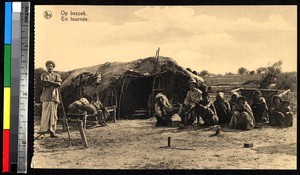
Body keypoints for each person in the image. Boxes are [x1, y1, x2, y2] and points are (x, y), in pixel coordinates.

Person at [39, 60, 62, 138]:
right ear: (46, 67)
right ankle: (43, 132)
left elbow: (59, 84)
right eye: (48, 66)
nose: (50, 67)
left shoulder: (56, 75)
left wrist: (49, 82)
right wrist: (53, 83)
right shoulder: (43, 74)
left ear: (53, 67)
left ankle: (52, 132)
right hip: (46, 96)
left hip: (54, 97)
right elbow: (44, 83)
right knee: (45, 115)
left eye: (51, 66)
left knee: (54, 115)